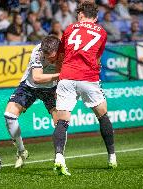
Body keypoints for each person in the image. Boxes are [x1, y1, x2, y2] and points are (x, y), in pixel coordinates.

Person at [52, 1, 117, 176]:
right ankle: (112, 156)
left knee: (62, 121)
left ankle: (59, 157)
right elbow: (97, 58)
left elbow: (62, 54)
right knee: (102, 114)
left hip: (66, 77)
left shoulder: (69, 28)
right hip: (88, 77)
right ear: (95, 17)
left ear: (80, 15)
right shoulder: (102, 31)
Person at [4, 35, 61, 168]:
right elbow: (37, 77)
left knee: (60, 122)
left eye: (52, 57)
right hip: (30, 86)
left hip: (52, 88)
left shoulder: (66, 52)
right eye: (46, 56)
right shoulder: (38, 52)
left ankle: (59, 157)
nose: (49, 60)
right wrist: (59, 75)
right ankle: (21, 151)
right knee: (9, 116)